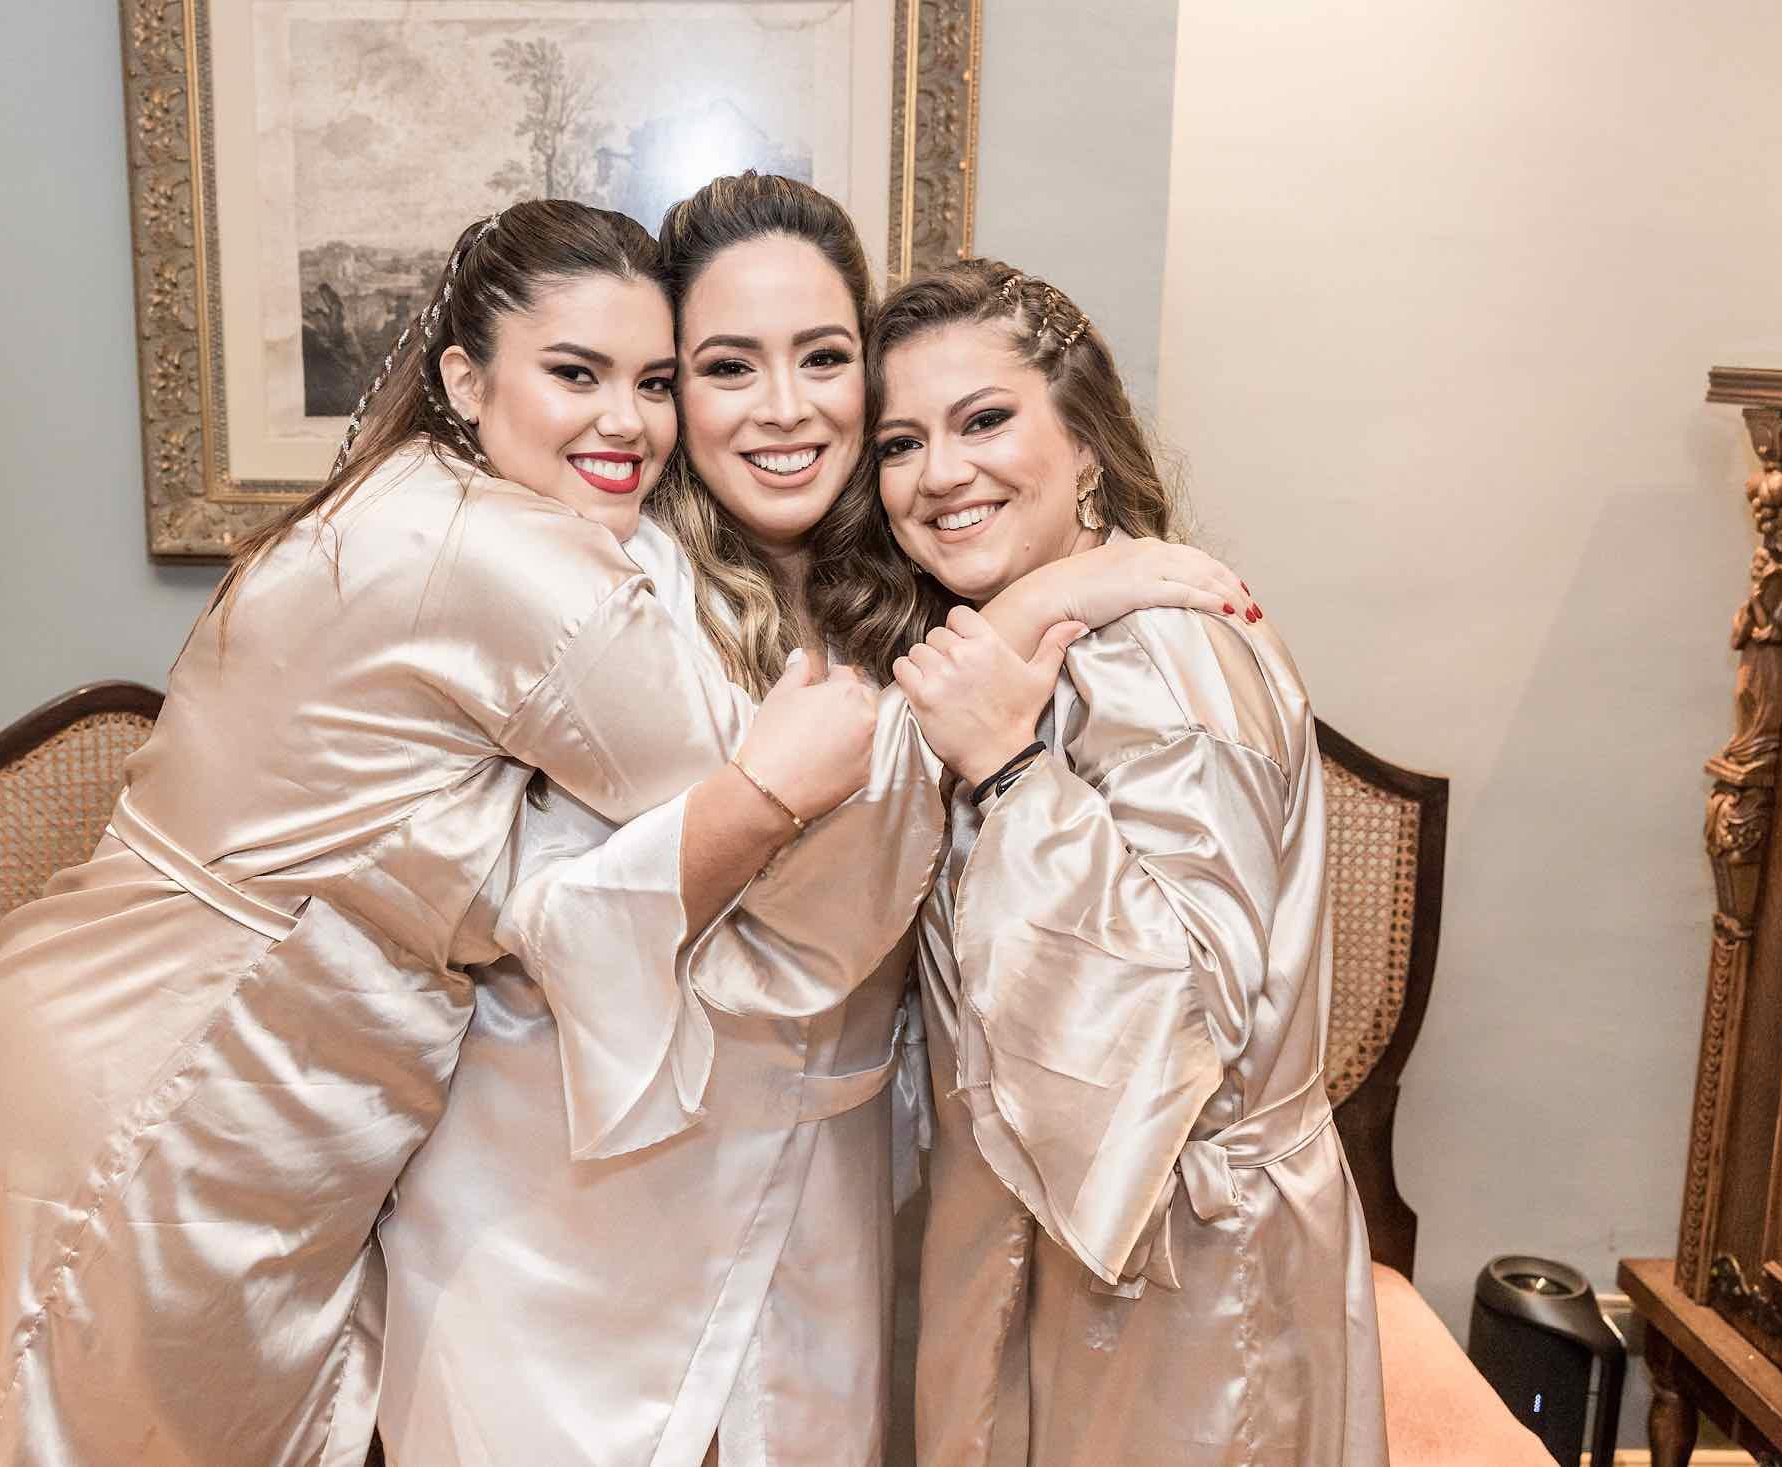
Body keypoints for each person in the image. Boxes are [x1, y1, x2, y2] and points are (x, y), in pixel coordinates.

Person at [0, 200, 887, 1467]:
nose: (627, 421)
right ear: (464, 379)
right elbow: (769, 785)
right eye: (576, 374)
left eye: (653, 382)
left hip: (95, 1026)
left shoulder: (406, 491)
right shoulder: (518, 565)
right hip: (190, 1080)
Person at [374, 176, 1256, 1466]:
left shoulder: (920, 587)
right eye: (727, 366)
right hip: (567, 1212)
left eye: (824, 358)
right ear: (674, 392)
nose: (784, 408)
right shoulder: (606, 588)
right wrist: (1040, 605)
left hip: (825, 1199)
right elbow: (611, 919)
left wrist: (1043, 589)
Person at [866, 259, 1388, 1467]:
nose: (939, 473)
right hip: (1053, 1236)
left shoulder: (1158, 658)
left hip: (1180, 1275)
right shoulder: (1022, 640)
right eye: (901, 443)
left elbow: (1182, 1017)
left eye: (983, 421)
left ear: (1086, 444)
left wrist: (1009, 774)